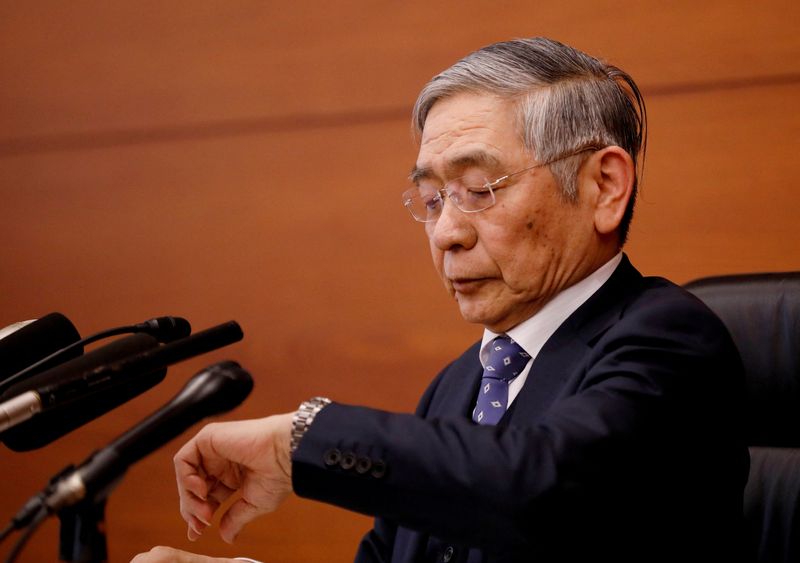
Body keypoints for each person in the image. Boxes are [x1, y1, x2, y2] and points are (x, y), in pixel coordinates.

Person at [132, 37, 748, 563]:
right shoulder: (458, 385)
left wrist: (301, 439)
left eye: (479, 189)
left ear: (603, 187)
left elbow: (542, 486)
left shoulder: (670, 341)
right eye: (431, 201)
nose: (446, 234)